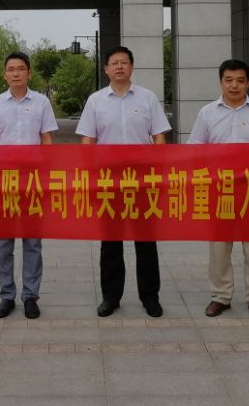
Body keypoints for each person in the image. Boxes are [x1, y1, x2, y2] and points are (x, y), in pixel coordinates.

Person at [76, 46, 171, 318]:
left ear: (132, 67)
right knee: (111, 242)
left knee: (146, 241)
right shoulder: (96, 101)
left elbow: (159, 137)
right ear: (106, 69)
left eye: (124, 62)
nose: (119, 67)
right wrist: (91, 175)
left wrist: (158, 172)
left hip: (142, 181)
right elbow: (87, 140)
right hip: (109, 181)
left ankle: (150, 297)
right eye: (114, 63)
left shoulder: (147, 98)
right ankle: (111, 297)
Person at [188, 58, 249, 321]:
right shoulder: (207, 113)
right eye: (229, 80)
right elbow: (194, 149)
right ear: (221, 82)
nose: (234, 85)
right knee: (219, 247)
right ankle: (220, 296)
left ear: (248, 83)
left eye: (240, 81)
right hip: (220, 189)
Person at [0, 51, 58, 320]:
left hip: (32, 180)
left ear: (29, 73)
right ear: (5, 74)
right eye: (11, 69)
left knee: (32, 241)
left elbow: (47, 140)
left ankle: (30, 296)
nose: (16, 73)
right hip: (4, 181)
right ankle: (6, 295)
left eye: (21, 69)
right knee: (3, 241)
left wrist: (47, 176)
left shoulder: (41, 102)